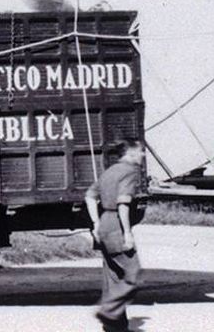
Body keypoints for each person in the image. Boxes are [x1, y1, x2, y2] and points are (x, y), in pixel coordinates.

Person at [84, 138, 146, 331]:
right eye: (140, 152)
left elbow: (89, 196)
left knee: (114, 277)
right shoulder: (130, 172)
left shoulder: (109, 172)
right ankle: (109, 311)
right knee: (133, 274)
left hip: (103, 223)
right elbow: (123, 204)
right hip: (116, 225)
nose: (143, 155)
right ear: (131, 154)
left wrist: (95, 223)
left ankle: (115, 326)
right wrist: (127, 233)